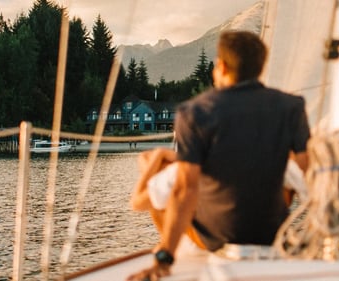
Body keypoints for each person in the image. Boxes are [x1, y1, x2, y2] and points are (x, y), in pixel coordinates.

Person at [127, 30, 310, 281]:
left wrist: (164, 259)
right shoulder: (292, 106)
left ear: (221, 67)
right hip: (273, 231)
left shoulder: (194, 113)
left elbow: (185, 190)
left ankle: (170, 248)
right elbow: (303, 171)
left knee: (163, 172)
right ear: (261, 67)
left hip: (215, 237)